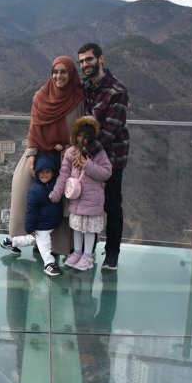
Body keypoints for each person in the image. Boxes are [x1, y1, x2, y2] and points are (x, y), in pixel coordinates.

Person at [8, 56, 87, 261]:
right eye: (55, 71)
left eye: (64, 72)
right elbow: (33, 128)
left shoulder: (79, 98)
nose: (59, 76)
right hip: (40, 151)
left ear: (71, 74)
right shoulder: (40, 96)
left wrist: (72, 147)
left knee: (61, 200)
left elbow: (82, 130)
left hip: (66, 156)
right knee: (23, 187)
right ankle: (20, 238)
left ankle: (58, 247)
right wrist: (33, 152)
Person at [77, 42, 129, 271]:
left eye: (89, 59)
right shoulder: (86, 87)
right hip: (89, 158)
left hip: (112, 157)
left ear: (101, 59)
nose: (85, 64)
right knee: (89, 204)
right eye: (81, 61)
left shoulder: (117, 90)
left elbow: (112, 129)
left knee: (111, 205)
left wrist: (84, 153)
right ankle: (88, 250)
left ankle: (112, 253)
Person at [50, 116, 112, 271]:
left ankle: (88, 255)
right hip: (76, 199)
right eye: (79, 135)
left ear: (93, 137)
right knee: (77, 227)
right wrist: (57, 192)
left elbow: (106, 173)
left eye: (86, 136)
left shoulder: (99, 153)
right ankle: (77, 252)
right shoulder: (71, 152)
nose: (82, 139)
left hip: (92, 199)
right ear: (74, 134)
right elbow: (63, 174)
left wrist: (87, 165)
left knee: (89, 229)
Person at [0, 152, 64, 276]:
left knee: (31, 240)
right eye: (41, 172)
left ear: (53, 173)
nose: (45, 174)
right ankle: (49, 264)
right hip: (42, 225)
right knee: (45, 246)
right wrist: (29, 227)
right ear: (36, 173)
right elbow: (31, 211)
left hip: (50, 224)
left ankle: (10, 242)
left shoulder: (54, 185)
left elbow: (59, 168)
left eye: (47, 171)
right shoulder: (35, 191)